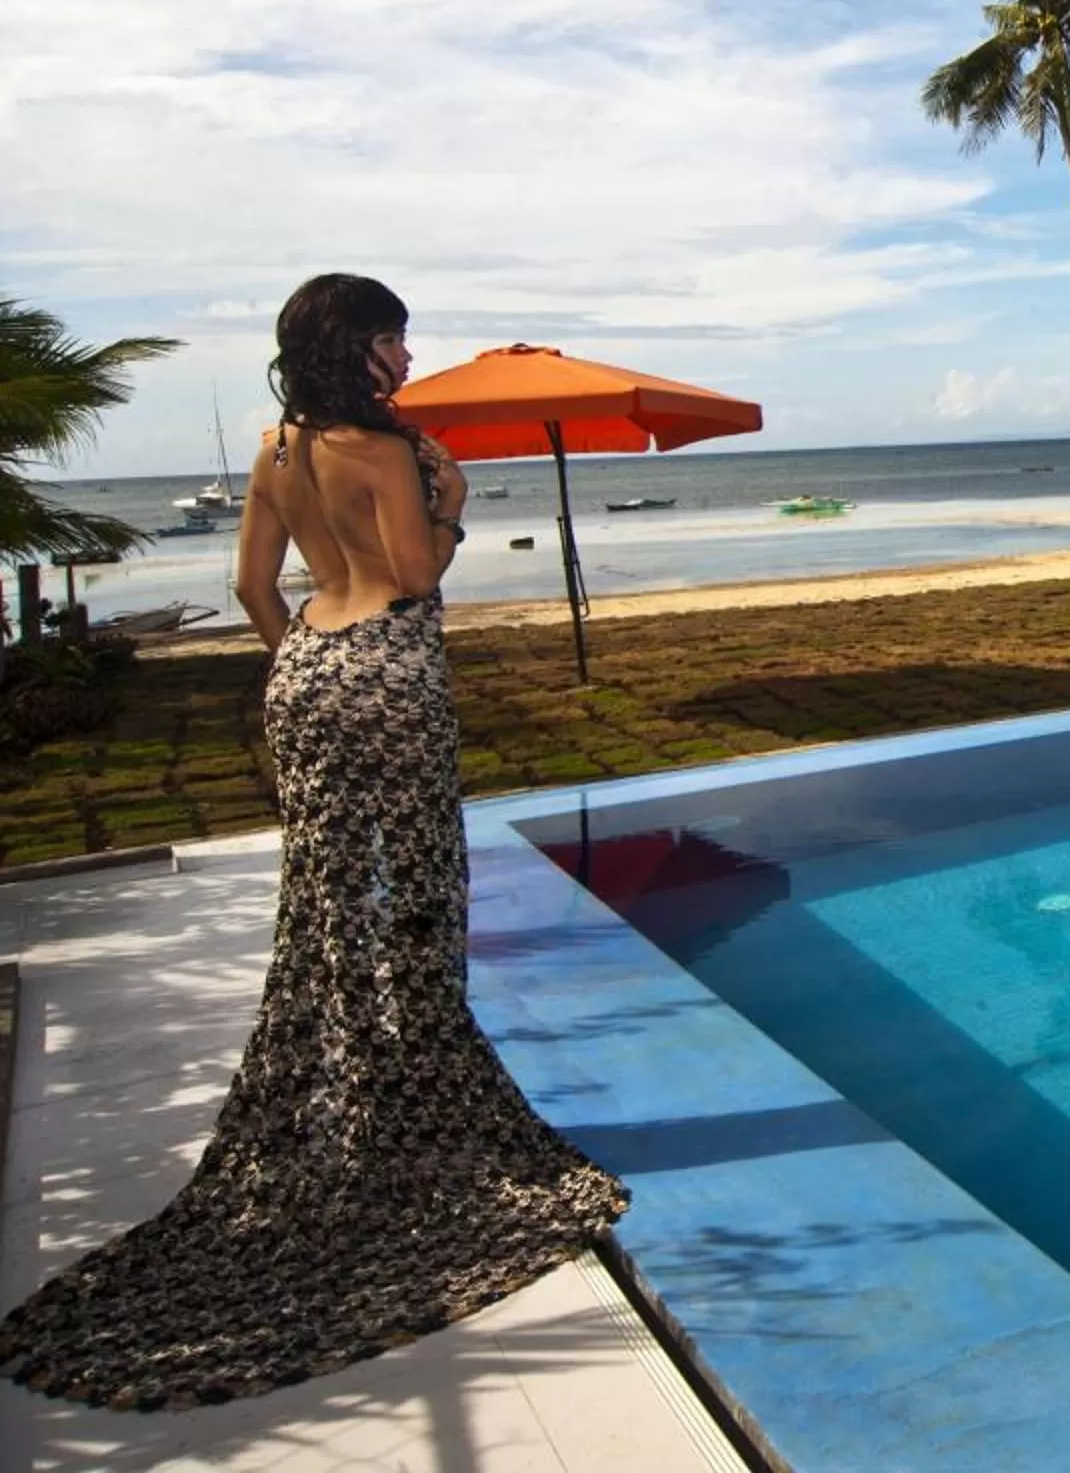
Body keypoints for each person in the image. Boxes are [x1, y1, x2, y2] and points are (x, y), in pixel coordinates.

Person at [0, 274, 627, 1410]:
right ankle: (429, 1128)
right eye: (394, 336)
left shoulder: (277, 448)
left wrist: (308, 659)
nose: (405, 353)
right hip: (389, 666)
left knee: (329, 910)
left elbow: (251, 584)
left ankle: (343, 1117)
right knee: (422, 898)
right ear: (358, 347)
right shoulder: (390, 454)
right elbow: (420, 577)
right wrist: (455, 496)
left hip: (305, 672)